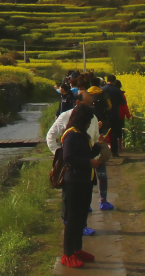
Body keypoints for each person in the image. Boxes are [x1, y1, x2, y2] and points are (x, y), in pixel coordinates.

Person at [47, 89, 100, 235]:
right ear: (77, 104)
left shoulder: (92, 117)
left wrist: (98, 147)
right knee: (70, 203)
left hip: (87, 168)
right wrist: (59, 154)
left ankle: (81, 226)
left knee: (84, 201)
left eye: (91, 104)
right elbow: (51, 136)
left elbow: (93, 138)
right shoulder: (67, 119)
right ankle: (72, 230)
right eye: (87, 104)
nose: (90, 107)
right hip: (74, 169)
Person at [60, 104, 102, 268]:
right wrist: (88, 162)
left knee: (81, 218)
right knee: (73, 219)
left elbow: (87, 154)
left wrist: (98, 145)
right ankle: (68, 254)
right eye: (88, 120)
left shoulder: (81, 135)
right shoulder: (71, 135)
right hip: (74, 182)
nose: (89, 123)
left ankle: (77, 249)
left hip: (84, 181)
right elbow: (68, 157)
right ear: (81, 119)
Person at [87, 76, 115, 211]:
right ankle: (103, 200)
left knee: (86, 174)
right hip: (101, 130)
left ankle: (87, 205)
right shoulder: (103, 94)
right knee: (102, 168)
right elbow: (109, 107)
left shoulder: (86, 95)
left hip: (87, 136)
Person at [102, 74, 126, 158]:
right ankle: (114, 152)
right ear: (115, 81)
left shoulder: (102, 89)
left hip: (104, 115)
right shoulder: (117, 90)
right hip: (115, 114)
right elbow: (122, 102)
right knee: (114, 133)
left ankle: (102, 152)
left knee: (103, 133)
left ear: (107, 79)